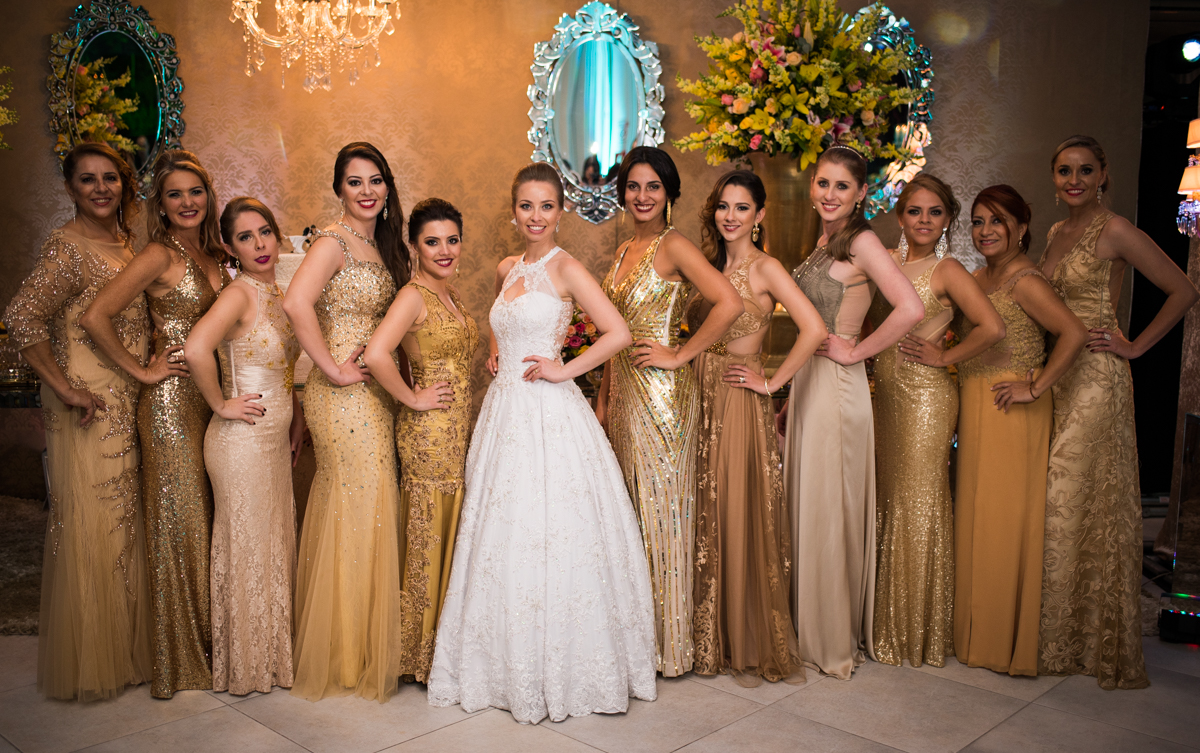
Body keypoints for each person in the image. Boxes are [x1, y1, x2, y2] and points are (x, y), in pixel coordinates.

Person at [428, 163, 657, 724]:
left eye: (546, 206)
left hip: (549, 414)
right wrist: (495, 349)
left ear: (561, 211)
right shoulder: (508, 268)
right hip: (504, 413)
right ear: (514, 211)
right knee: (502, 529)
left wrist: (565, 368)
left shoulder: (567, 267)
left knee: (553, 527)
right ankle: (499, 661)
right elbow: (502, 320)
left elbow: (619, 333)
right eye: (527, 206)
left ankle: (564, 664)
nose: (536, 216)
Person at [1039, 136, 1198, 689]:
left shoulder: (1116, 230)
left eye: (1085, 170)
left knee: (1068, 498)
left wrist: (1133, 346)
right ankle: (1061, 631)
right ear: (1054, 177)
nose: (1074, 180)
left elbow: (1183, 290)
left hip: (1097, 380)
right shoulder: (1055, 233)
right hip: (1059, 377)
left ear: (1103, 175)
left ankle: (1083, 638)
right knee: (1068, 504)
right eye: (1065, 171)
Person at [4, 142, 151, 701]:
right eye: (87, 180)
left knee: (124, 522)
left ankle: (124, 651)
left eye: (109, 177)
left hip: (125, 397)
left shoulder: (126, 243)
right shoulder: (67, 248)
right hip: (89, 406)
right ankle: (95, 659)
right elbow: (22, 317)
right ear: (69, 188)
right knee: (94, 522)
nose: (101, 188)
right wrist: (66, 388)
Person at [82, 149, 228, 698]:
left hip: (211, 400)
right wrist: (143, 371)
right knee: (180, 524)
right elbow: (95, 316)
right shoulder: (158, 255)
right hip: (169, 407)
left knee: (209, 518)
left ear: (208, 196)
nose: (188, 202)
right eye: (175, 194)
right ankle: (183, 660)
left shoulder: (214, 251)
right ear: (160, 205)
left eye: (196, 191)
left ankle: (219, 645)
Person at [596, 146, 743, 677]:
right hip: (624, 395)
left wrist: (680, 354)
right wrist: (603, 399)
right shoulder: (623, 249)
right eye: (634, 186)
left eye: (653, 187)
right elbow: (614, 334)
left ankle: (669, 647)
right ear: (623, 193)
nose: (642, 196)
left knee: (662, 515)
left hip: (662, 400)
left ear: (669, 194)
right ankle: (636, 643)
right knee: (630, 514)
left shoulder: (674, 244)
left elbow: (730, 302)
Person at [782, 143, 924, 679]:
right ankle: (810, 627)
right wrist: (792, 394)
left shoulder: (862, 241)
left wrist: (856, 351)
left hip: (838, 389)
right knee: (813, 505)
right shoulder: (824, 242)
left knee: (830, 509)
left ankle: (831, 639)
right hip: (812, 385)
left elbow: (910, 307)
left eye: (842, 186)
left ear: (862, 193)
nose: (829, 194)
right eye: (823, 183)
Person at [686, 170, 826, 685]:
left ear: (760, 215)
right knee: (702, 507)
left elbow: (814, 328)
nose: (730, 216)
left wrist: (771, 383)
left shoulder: (766, 268)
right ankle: (707, 634)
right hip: (699, 391)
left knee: (734, 507)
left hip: (739, 397)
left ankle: (742, 638)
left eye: (742, 207)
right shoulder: (708, 266)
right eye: (723, 206)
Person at [281, 142, 408, 702]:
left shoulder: (381, 246)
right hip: (343, 396)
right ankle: (343, 650)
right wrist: (331, 369)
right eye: (355, 182)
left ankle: (361, 641)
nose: (367, 191)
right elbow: (296, 303)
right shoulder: (332, 242)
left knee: (369, 504)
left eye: (375, 180)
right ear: (339, 190)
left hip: (374, 394)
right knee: (357, 502)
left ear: (387, 187)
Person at [868, 173, 1005, 668]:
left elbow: (993, 327)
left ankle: (916, 630)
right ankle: (880, 621)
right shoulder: (885, 260)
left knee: (918, 501)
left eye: (935, 212)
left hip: (927, 399)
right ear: (900, 215)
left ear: (947, 219)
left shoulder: (947, 270)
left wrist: (944, 357)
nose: (924, 220)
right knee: (887, 497)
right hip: (885, 394)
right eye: (915, 211)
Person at [954, 185, 1086, 677]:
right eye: (978, 221)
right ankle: (973, 634)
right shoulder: (978, 277)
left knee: (1004, 522)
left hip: (1012, 410)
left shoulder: (1025, 280)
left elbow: (1073, 333)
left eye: (998, 221)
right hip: (977, 403)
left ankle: (1000, 641)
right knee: (976, 516)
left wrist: (1036, 387)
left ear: (1022, 227)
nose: (986, 231)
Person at [184, 197, 304, 696]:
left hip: (274, 439)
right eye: (245, 237)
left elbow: (287, 369)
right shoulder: (238, 294)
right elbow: (196, 347)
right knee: (248, 549)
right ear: (230, 247)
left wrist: (297, 421)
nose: (259, 244)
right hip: (240, 442)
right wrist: (220, 404)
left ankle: (273, 658)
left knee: (273, 543)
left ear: (277, 235)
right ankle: (247, 665)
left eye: (265, 232)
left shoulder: (281, 292)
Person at [363, 198, 479, 683]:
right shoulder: (413, 295)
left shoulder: (450, 294)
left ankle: (441, 648)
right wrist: (412, 398)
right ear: (414, 246)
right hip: (429, 434)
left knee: (449, 530)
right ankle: (416, 653)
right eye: (433, 242)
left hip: (457, 430)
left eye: (452, 240)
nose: (445, 250)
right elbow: (376, 353)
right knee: (428, 532)